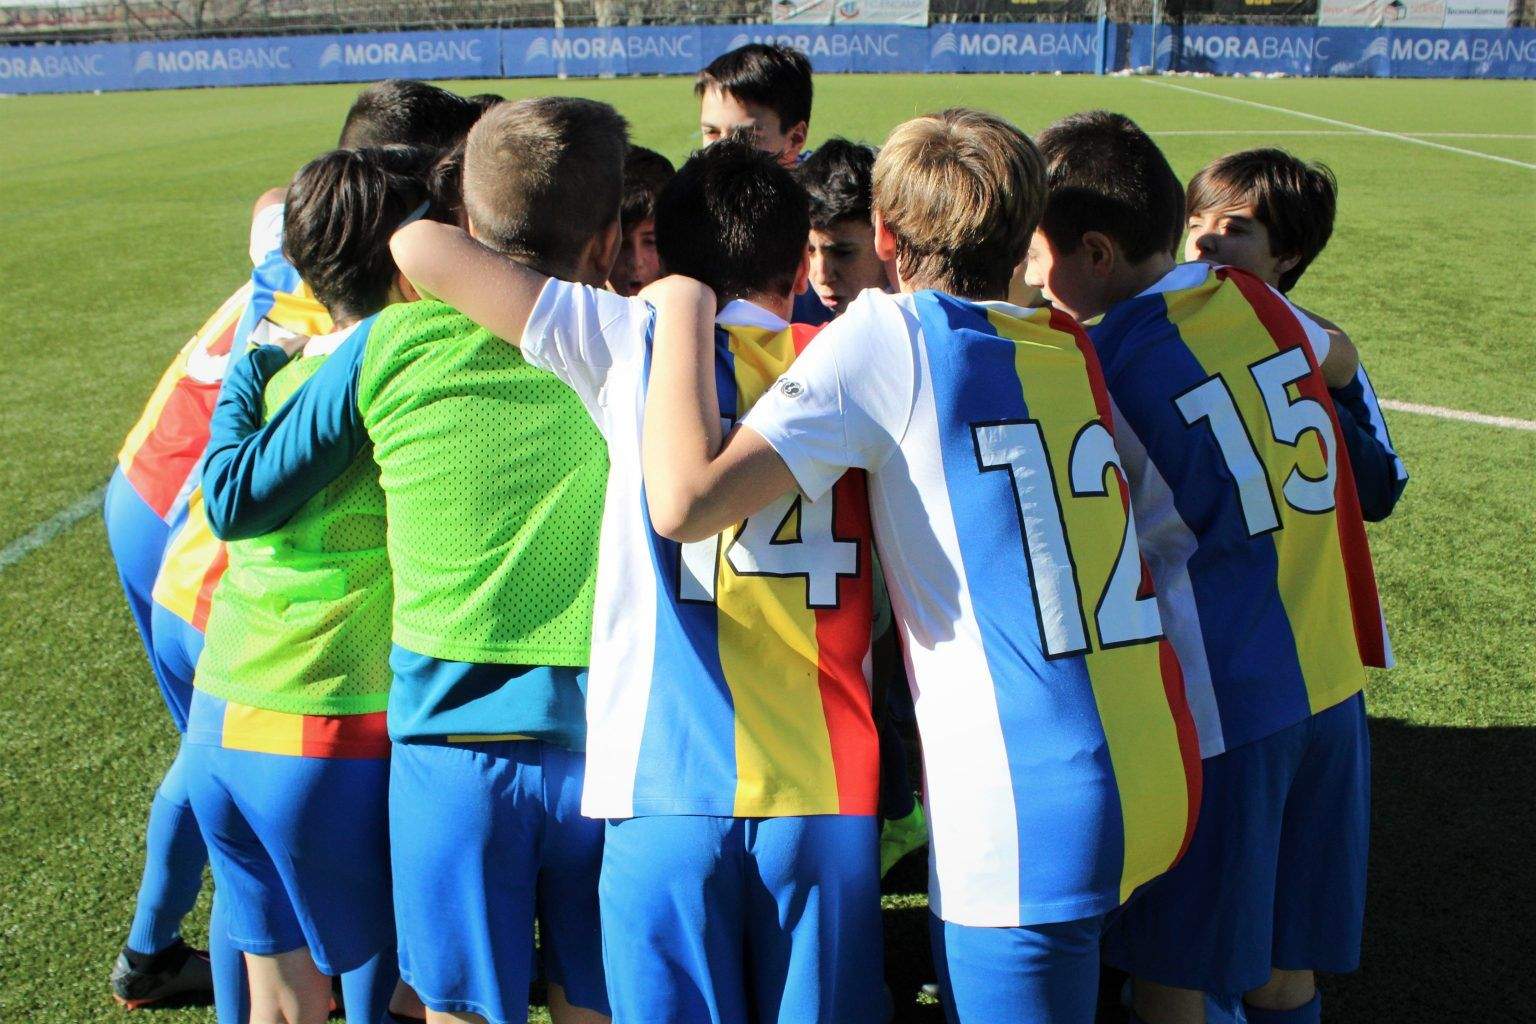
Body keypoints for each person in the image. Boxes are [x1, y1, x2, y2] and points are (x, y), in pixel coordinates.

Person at [638, 108, 1202, 1024]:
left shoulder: (890, 335)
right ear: (1026, 238)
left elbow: (686, 500)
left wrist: (679, 298)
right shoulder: (1062, 340)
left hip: (1026, 796)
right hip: (1150, 751)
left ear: (888, 238)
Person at [390, 137, 888, 1024]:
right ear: (795, 259)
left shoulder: (632, 338)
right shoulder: (863, 358)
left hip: (664, 786)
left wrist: (681, 299)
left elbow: (419, 247)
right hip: (825, 789)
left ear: (666, 248)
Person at [202, 98, 622, 1024]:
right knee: (596, 1005)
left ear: (466, 226)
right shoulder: (632, 344)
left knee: (460, 1011)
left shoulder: (393, 342)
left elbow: (238, 496)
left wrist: (258, 352)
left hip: (451, 751)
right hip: (606, 750)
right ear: (609, 243)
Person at [106, 78, 482, 1015]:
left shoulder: (296, 270)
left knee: (248, 877)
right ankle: (157, 951)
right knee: (376, 960)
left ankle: (152, 952)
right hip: (310, 679)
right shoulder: (395, 340)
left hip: (205, 598)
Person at [1024, 111, 1390, 1024]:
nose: (1030, 274)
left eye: (1037, 253)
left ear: (1096, 254)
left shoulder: (1094, 368)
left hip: (1222, 707)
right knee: (1280, 963)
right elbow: (1337, 353)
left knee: (1175, 971)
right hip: (1330, 680)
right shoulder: (1259, 301)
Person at [185, 146, 434, 1024]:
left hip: (220, 717)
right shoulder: (392, 375)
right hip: (324, 718)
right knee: (389, 985)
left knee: (283, 1002)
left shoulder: (277, 367)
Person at [793, 136, 922, 877]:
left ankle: (902, 806)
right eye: (810, 251)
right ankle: (896, 806)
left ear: (885, 241)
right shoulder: (809, 310)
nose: (822, 274)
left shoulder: (910, 325)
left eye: (840, 252)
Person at [1183, 148, 1407, 520]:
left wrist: (1295, 385)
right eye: (1194, 224)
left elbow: (1378, 491)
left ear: (1286, 256)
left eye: (1233, 228)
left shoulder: (1321, 344)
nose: (1203, 241)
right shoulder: (1156, 319)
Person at [696, 42, 831, 326]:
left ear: (795, 138)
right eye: (711, 132)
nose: (723, 150)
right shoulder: (688, 208)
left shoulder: (831, 213)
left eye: (746, 136)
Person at [608, 145, 674, 297]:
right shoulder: (577, 314)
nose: (636, 261)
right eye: (622, 243)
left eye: (650, 242)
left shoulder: (698, 314)